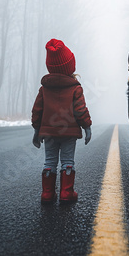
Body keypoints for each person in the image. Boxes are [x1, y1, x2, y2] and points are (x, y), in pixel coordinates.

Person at [31, 39, 92, 204]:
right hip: (69, 133)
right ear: (70, 66)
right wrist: (87, 127)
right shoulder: (75, 88)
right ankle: (66, 193)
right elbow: (80, 110)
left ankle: (47, 194)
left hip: (49, 133)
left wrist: (37, 131)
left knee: (49, 161)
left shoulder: (44, 89)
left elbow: (37, 110)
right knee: (67, 161)